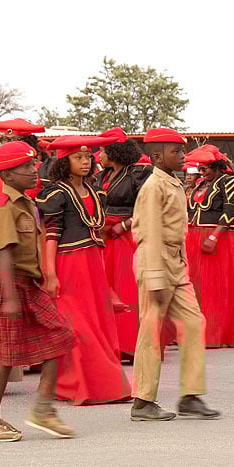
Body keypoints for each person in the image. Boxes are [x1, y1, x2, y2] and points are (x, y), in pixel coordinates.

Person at [131, 127, 219, 422]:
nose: (182, 156)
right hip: (155, 261)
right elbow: (149, 234)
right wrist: (155, 277)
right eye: (176, 151)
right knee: (152, 332)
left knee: (194, 322)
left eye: (182, 151)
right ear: (157, 156)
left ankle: (190, 395)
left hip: (175, 263)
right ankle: (142, 401)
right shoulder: (153, 187)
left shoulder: (172, 183)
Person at [37, 135, 132, 405]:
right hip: (69, 263)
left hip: (92, 261)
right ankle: (76, 384)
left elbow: (98, 230)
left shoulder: (95, 191)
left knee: (98, 322)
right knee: (77, 324)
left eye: (88, 157)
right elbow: (51, 235)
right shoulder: (56, 193)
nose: (85, 161)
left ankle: (104, 381)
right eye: (78, 157)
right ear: (64, 162)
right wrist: (51, 273)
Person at [0, 141, 77, 442]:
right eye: (26, 166)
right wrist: (10, 299)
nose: (34, 170)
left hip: (27, 282)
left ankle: (43, 409)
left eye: (33, 164)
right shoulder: (4, 206)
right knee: (7, 354)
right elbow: (3, 250)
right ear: (8, 174)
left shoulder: (28, 203)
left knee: (59, 335)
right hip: (8, 283)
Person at [185, 145, 234, 348]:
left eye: (205, 168)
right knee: (197, 286)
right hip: (195, 235)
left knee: (214, 287)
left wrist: (214, 237)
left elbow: (229, 210)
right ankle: (196, 332)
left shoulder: (229, 181)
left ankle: (215, 334)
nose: (202, 172)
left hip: (217, 237)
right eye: (200, 169)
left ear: (216, 167)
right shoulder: (199, 184)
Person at [97, 127, 153, 362]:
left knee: (126, 287)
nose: (98, 155)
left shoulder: (138, 173)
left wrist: (125, 225)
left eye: (102, 150)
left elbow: (147, 206)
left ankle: (130, 343)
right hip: (105, 236)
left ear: (114, 151)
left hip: (126, 237)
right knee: (106, 288)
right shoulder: (102, 176)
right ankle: (110, 342)